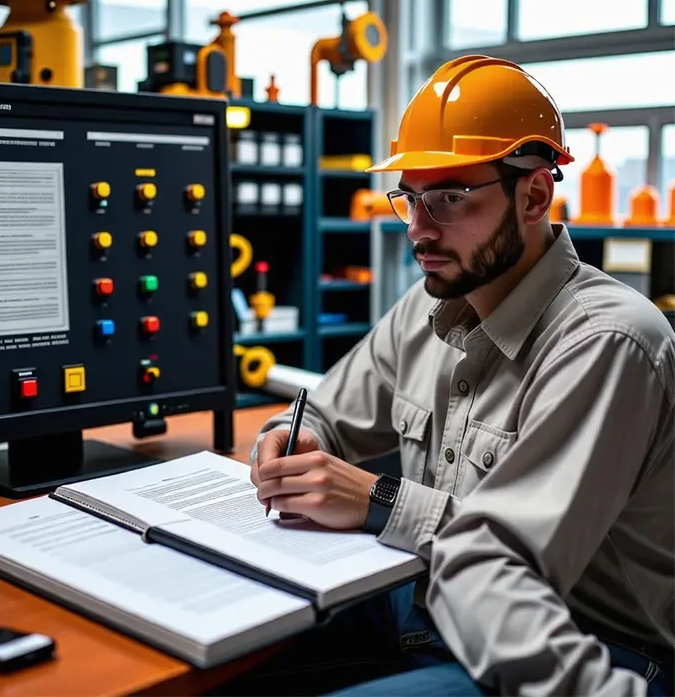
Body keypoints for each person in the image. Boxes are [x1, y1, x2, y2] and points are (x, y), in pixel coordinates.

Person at [216, 56, 675, 696]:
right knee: (213, 661)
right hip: (423, 605)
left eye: (449, 198)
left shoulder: (606, 343)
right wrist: (292, 440)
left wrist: (378, 501)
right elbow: (322, 415)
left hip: (576, 643)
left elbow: (498, 562)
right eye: (409, 197)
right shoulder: (431, 303)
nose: (417, 229)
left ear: (535, 193)